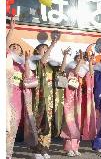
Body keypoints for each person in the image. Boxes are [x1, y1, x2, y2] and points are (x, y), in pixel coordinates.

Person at [6, 17, 38, 159]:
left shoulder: (22, 65)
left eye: (17, 47)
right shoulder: (6, 62)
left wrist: (26, 60)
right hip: (6, 97)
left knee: (11, 129)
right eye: (12, 47)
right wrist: (11, 30)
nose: (15, 48)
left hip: (17, 100)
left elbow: (30, 82)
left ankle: (7, 154)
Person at [30, 30, 65, 159]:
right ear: (37, 52)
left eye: (46, 48)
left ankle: (45, 149)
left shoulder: (51, 65)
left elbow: (61, 71)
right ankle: (37, 150)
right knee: (39, 122)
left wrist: (65, 56)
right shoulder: (38, 62)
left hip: (52, 99)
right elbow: (43, 60)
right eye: (42, 48)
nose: (45, 50)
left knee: (48, 124)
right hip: (40, 98)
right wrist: (52, 44)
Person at [60, 50, 90, 157]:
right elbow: (75, 72)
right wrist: (80, 63)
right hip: (70, 99)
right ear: (74, 60)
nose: (80, 61)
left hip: (79, 99)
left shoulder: (82, 73)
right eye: (77, 59)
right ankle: (69, 148)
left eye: (81, 59)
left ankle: (75, 146)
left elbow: (90, 74)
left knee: (78, 122)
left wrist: (88, 62)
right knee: (70, 123)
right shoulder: (71, 70)